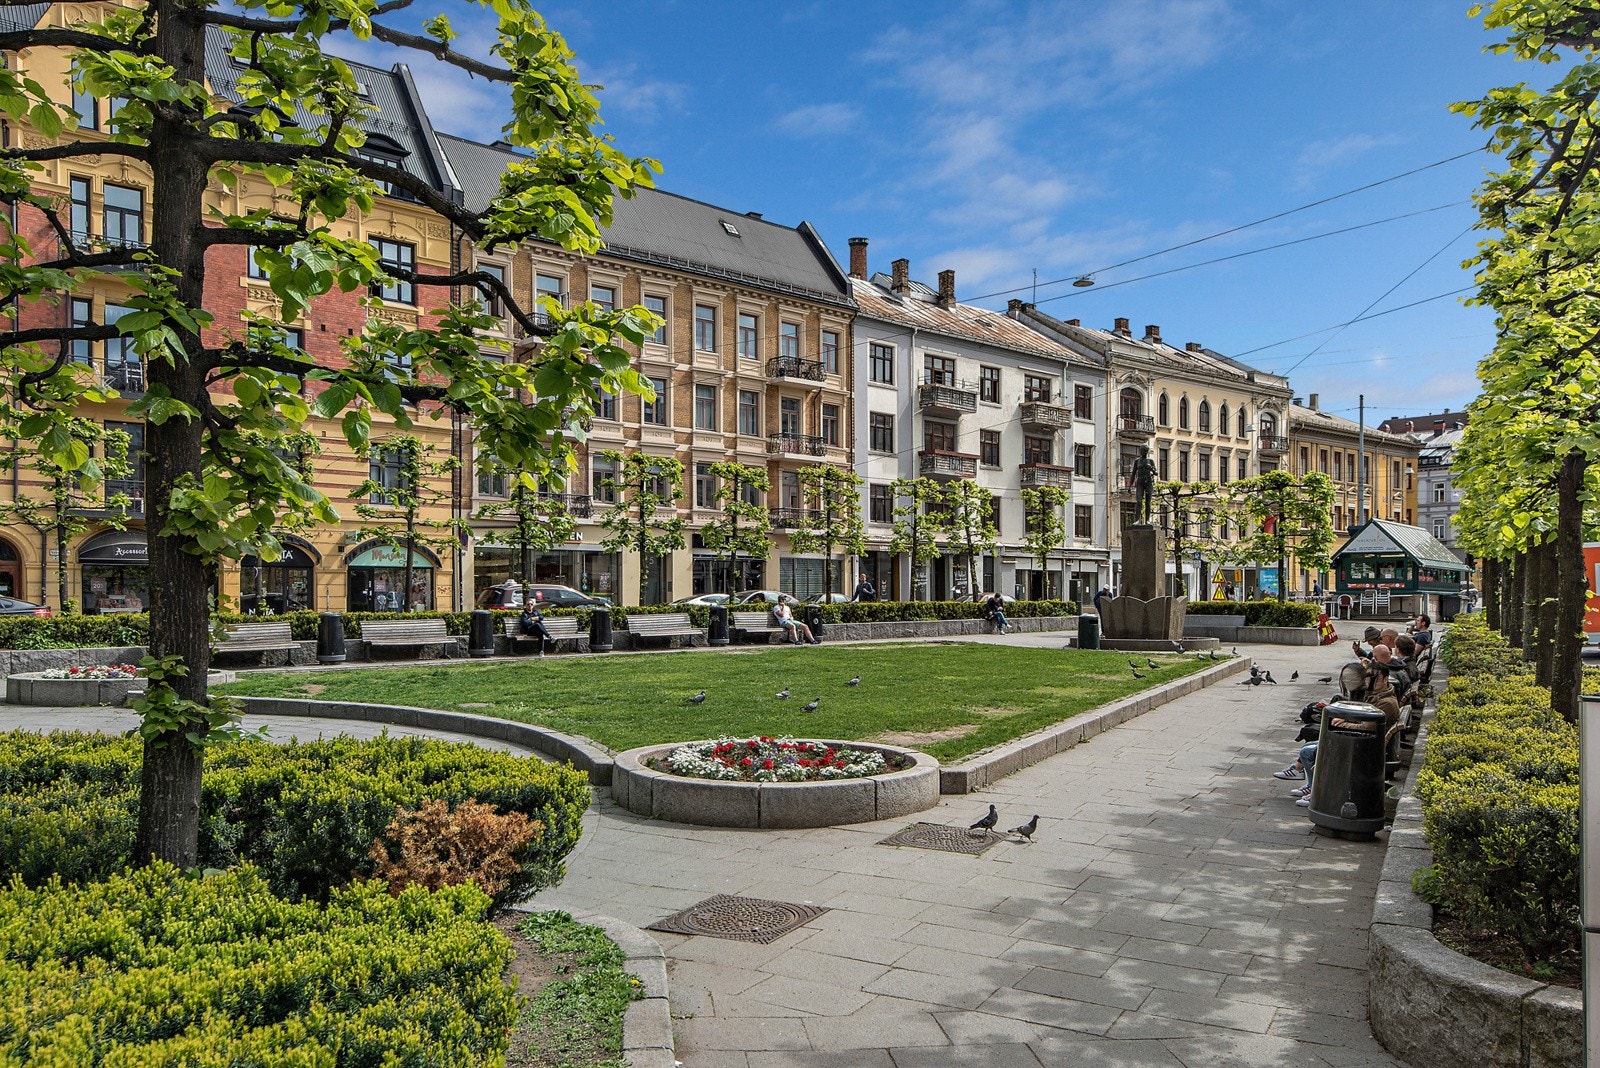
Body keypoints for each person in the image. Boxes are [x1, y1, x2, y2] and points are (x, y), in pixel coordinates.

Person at [1131, 445, 1158, 523]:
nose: (1145, 452)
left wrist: (1151, 469)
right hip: (1140, 482)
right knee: (1139, 501)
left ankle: (1147, 520)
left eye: (1146, 451)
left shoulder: (1150, 461)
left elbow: (1156, 473)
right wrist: (1130, 485)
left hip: (1149, 482)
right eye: (1144, 451)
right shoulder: (1137, 461)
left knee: (1148, 502)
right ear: (1141, 451)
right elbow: (1133, 473)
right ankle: (1137, 520)